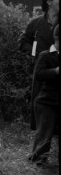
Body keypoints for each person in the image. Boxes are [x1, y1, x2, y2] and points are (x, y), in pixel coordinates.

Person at [19, 0, 59, 130]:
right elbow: (23, 42)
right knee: (42, 113)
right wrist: (37, 53)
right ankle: (43, 142)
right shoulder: (35, 24)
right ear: (49, 1)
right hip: (42, 74)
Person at [28, 25, 59, 167]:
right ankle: (38, 159)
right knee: (45, 131)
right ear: (57, 39)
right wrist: (55, 71)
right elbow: (39, 75)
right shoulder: (45, 55)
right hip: (46, 101)